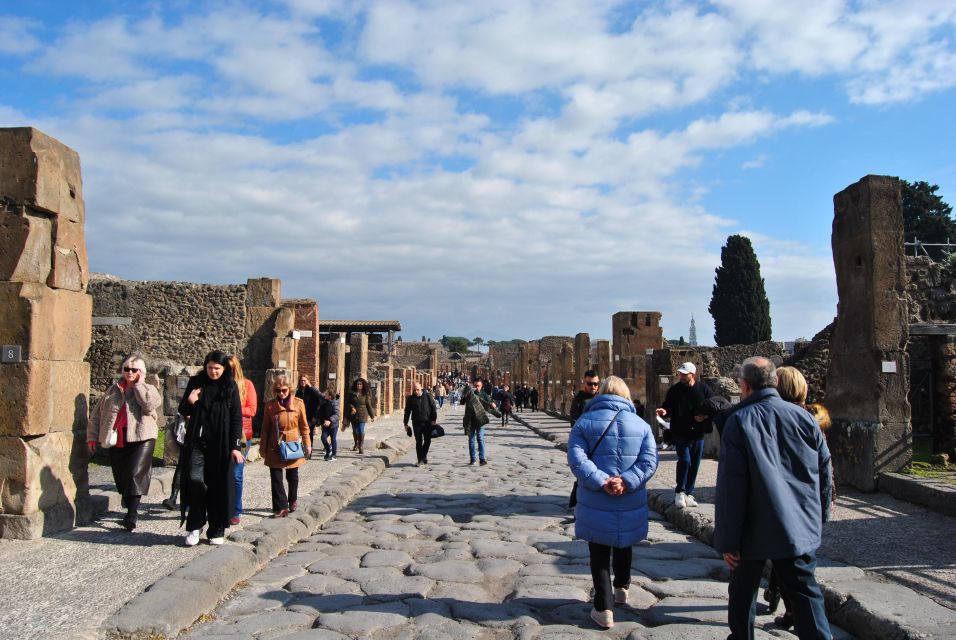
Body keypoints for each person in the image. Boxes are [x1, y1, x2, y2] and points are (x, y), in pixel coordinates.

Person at [715, 357, 833, 640]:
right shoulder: (806, 417)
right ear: (775, 382)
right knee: (806, 593)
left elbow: (733, 487)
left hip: (751, 530)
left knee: (743, 593)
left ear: (743, 385)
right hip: (798, 523)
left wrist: (729, 541)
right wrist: (818, 520)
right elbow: (825, 473)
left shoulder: (738, 421)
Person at [567, 375, 658, 630]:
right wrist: (625, 481)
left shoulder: (585, 422)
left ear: (601, 393)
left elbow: (576, 458)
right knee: (624, 540)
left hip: (597, 496)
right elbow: (649, 462)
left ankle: (603, 608)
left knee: (598, 551)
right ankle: (621, 589)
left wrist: (602, 480)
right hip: (629, 496)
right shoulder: (641, 424)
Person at [87, 355, 162, 532]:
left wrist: (138, 385)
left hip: (143, 436)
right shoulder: (113, 391)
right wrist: (92, 437)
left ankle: (132, 514)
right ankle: (128, 501)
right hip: (117, 438)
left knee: (135, 473)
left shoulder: (149, 388)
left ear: (141, 373)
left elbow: (150, 406)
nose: (129, 372)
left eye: (134, 370)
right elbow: (97, 415)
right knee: (122, 477)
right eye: (127, 369)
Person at [178, 350, 245, 546]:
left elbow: (236, 418)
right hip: (197, 443)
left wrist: (235, 447)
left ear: (224, 369)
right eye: (210, 368)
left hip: (221, 445)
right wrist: (191, 402)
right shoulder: (196, 383)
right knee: (194, 481)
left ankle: (216, 528)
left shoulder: (230, 387)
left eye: (217, 368)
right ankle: (195, 525)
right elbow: (183, 410)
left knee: (217, 486)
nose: (213, 372)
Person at [654, 362, 713, 509]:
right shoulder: (675, 390)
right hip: (680, 432)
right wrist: (664, 411)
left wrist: (704, 417)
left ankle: (689, 493)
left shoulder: (704, 389)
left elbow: (713, 405)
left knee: (695, 464)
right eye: (680, 373)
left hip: (698, 433)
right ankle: (680, 491)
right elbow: (668, 405)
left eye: (684, 374)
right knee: (685, 460)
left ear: (692, 374)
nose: (681, 376)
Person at [260, 375, 311, 517]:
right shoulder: (270, 406)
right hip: (275, 445)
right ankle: (281, 507)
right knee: (276, 477)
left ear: (290, 389)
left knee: (292, 476)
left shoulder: (299, 404)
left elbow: (304, 426)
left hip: (293, 444)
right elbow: (265, 428)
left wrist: (307, 444)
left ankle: (292, 499)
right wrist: (262, 448)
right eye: (277, 390)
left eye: (283, 390)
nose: (281, 393)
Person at [227, 356, 257, 525]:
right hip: (222, 434)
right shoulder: (219, 385)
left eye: (231, 369)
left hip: (243, 435)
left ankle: (235, 511)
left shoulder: (247, 385)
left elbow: (252, 410)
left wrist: (233, 409)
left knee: (236, 475)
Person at [462, 380, 500, 466]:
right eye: (475, 385)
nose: (476, 387)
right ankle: (473, 459)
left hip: (480, 420)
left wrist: (493, 405)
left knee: (480, 439)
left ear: (481, 386)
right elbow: (462, 402)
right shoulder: (470, 393)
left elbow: (489, 404)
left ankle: (482, 459)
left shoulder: (484, 394)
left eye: (478, 385)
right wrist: (465, 395)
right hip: (470, 420)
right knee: (471, 440)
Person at [404, 382, 438, 465]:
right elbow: (407, 411)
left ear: (421, 388)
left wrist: (434, 419)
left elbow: (433, 408)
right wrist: (405, 423)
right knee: (418, 441)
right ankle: (420, 460)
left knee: (427, 440)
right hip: (416, 423)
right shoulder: (411, 399)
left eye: (417, 389)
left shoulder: (428, 396)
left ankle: (423, 455)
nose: (416, 391)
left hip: (427, 422)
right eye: (414, 390)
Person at [295, 374, 324, 456]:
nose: (303, 382)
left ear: (308, 381)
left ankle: (309, 451)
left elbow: (320, 396)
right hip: (300, 416)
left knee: (308, 433)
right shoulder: (298, 391)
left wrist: (311, 387)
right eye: (301, 380)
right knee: (299, 433)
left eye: (305, 380)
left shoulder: (311, 390)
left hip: (311, 416)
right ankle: (300, 450)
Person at [345, 377, 375, 454]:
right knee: (355, 431)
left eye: (360, 384)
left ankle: (361, 446)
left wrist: (372, 416)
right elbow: (348, 403)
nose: (359, 385)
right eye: (358, 384)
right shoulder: (352, 394)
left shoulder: (365, 394)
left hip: (363, 414)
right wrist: (352, 407)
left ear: (363, 385)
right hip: (353, 415)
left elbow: (369, 405)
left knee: (361, 430)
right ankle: (356, 444)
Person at [317, 388, 339, 460]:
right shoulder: (323, 403)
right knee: (323, 438)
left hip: (333, 425)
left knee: (333, 439)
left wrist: (330, 421)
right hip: (325, 425)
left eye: (326, 394)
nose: (324, 395)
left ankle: (334, 455)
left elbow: (337, 415)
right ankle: (328, 451)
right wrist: (318, 422)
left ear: (330, 396)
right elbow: (320, 413)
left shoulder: (334, 403)